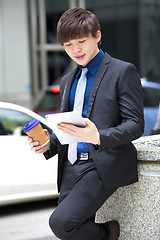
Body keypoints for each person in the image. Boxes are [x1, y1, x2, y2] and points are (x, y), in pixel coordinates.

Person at [28, 8, 144, 240]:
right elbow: (67, 127)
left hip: (101, 165)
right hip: (70, 166)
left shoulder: (122, 71)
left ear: (97, 36)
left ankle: (109, 234)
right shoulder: (67, 80)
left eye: (81, 41)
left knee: (61, 223)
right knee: (73, 231)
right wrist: (48, 145)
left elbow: (135, 125)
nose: (76, 50)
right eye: (68, 45)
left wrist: (98, 137)